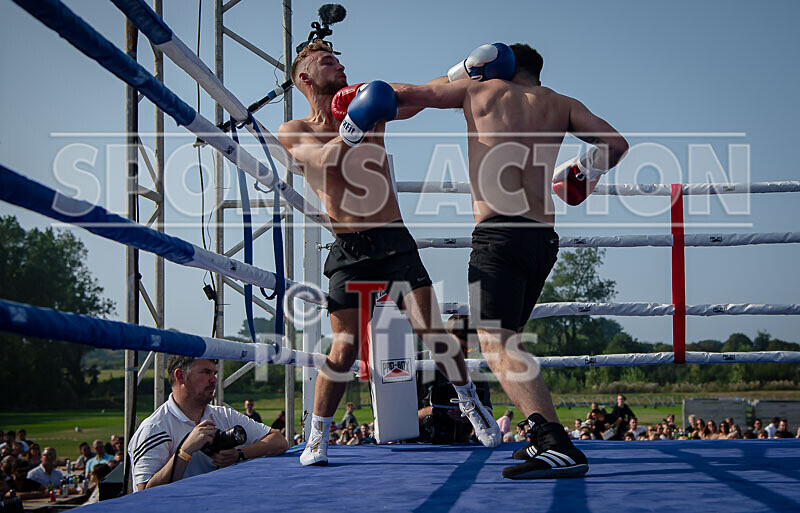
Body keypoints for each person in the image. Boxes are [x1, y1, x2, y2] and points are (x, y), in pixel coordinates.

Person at [393, 42, 627, 478]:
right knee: (509, 340)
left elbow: (406, 97)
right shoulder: (562, 103)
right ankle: (545, 438)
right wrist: (585, 172)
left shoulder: (479, 91)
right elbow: (616, 143)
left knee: (495, 341)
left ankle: (553, 442)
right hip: (542, 239)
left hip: (499, 236)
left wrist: (460, 70)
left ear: (493, 66)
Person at [277, 40, 500, 467]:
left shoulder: (369, 98)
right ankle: (317, 437)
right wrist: (355, 124)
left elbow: (422, 94)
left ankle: (472, 406)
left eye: (340, 58)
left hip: (394, 239)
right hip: (350, 247)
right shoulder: (295, 129)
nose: (339, 65)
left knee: (433, 333)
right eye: (327, 61)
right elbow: (322, 162)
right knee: (342, 348)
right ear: (305, 77)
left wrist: (465, 70)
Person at [128, 356, 287, 491]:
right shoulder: (154, 428)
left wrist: (239, 454)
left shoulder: (223, 415)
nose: (214, 379)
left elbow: (279, 440)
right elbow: (144, 493)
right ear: (180, 376)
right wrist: (185, 451)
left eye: (214, 373)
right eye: (205, 372)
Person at [415, 315, 493, 445]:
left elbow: (488, 414)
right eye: (460, 349)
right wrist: (432, 412)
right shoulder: (418, 365)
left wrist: (472, 416)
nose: (464, 356)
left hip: (462, 445)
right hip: (420, 447)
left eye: (471, 350)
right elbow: (398, 422)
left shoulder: (477, 372)